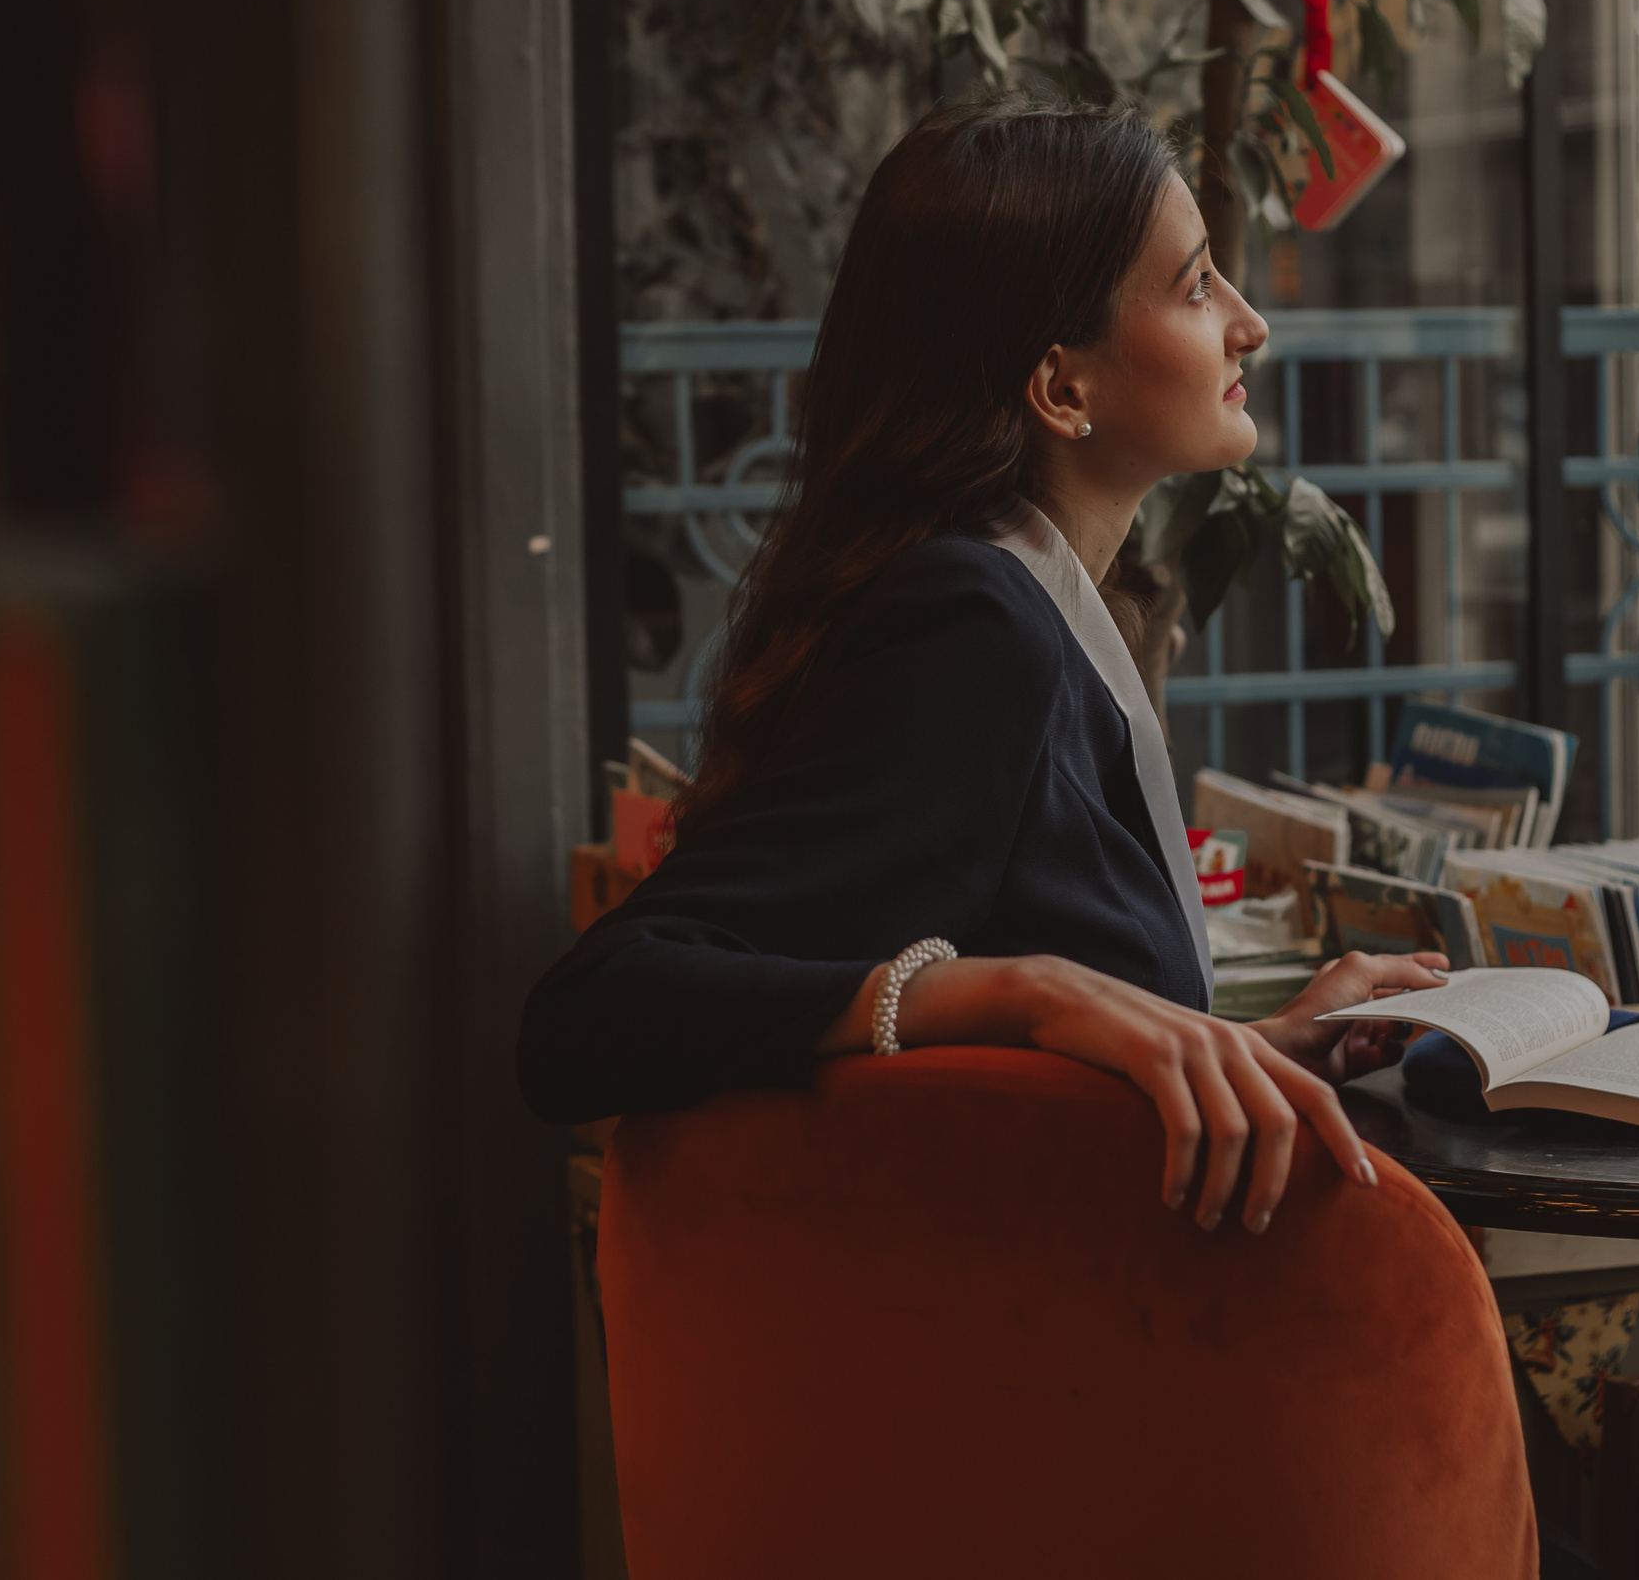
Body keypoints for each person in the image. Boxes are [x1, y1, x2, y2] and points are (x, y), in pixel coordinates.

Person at [518, 96, 1445, 1239]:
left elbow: (1009, 1104)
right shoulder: (974, 622)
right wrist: (1021, 990)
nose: (1248, 324)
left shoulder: (1029, 604)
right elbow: (589, 1013)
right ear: (1061, 389)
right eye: (1198, 286)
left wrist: (1257, 1046)